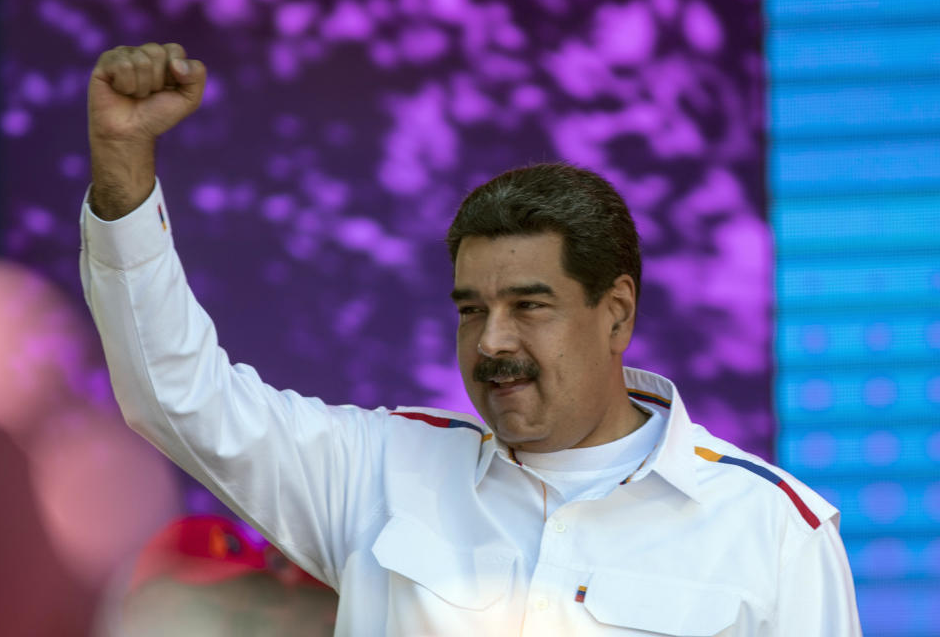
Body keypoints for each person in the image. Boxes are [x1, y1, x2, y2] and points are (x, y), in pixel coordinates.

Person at [81, 43, 863, 636]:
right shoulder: (381, 470)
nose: (493, 341)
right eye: (469, 309)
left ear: (616, 312)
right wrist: (122, 169)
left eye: (530, 306)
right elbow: (176, 394)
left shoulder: (774, 530)